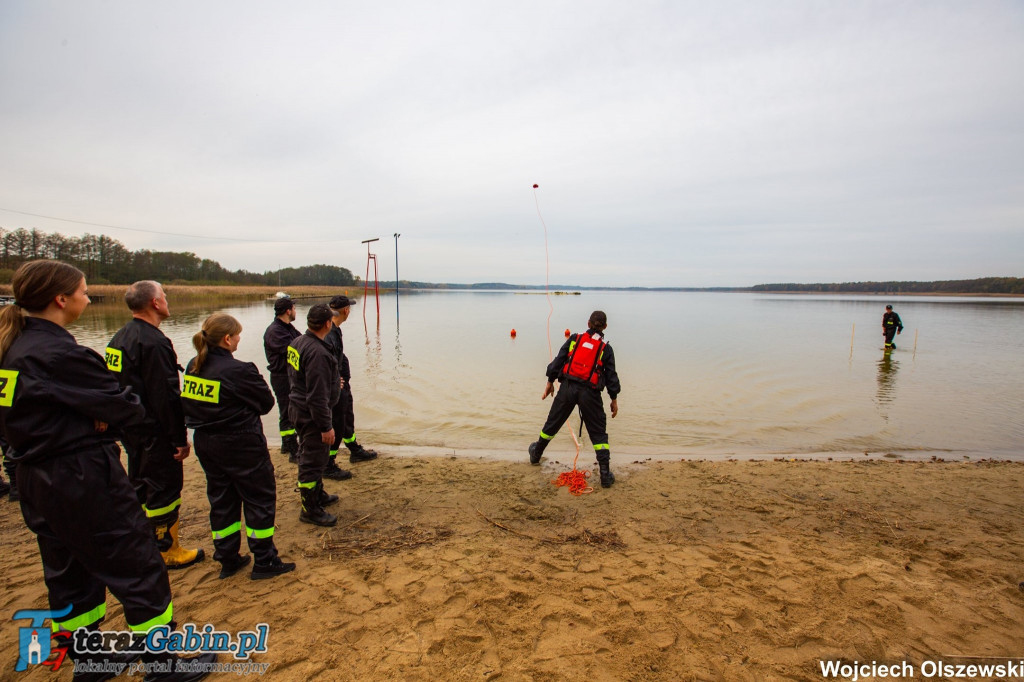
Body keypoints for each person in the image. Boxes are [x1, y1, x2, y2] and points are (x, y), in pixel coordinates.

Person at [0, 260, 215, 680]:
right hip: (79, 474)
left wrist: (94, 413)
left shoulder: (13, 347)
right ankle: (162, 666)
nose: (88, 297)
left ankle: (90, 662)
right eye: (83, 291)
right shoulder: (60, 354)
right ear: (60, 299)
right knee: (137, 563)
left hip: (34, 475)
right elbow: (127, 407)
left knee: (68, 571)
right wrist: (99, 416)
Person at [182, 314, 297, 580]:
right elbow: (266, 403)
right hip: (240, 442)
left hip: (206, 442)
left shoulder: (193, 365)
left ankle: (227, 557)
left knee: (222, 499)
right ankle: (265, 561)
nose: (239, 339)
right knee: (259, 498)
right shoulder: (239, 369)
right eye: (237, 335)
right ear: (227, 339)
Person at [106, 281, 205, 569]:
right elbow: (166, 396)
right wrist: (178, 438)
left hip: (131, 427)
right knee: (164, 487)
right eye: (164, 296)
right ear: (154, 303)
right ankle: (167, 548)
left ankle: (140, 541)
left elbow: (112, 384)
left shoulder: (120, 337)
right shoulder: (154, 342)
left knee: (140, 482)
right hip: (154, 429)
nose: (167, 300)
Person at [527, 310, 621, 488]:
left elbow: (558, 361)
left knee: (552, 423)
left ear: (588, 323)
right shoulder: (606, 349)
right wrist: (614, 399)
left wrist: (549, 381)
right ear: (605, 327)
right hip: (590, 393)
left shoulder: (575, 339)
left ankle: (536, 454)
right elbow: (611, 377)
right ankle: (605, 475)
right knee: (598, 432)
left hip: (568, 389)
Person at [288, 304, 341, 527]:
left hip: (298, 408)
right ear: (327, 324)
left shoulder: (298, 342)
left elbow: (300, 379)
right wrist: (325, 426)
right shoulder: (317, 352)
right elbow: (317, 395)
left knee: (315, 456)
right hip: (311, 415)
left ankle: (317, 494)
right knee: (312, 460)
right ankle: (309, 509)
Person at [324, 294, 377, 481]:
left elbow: (338, 357)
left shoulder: (334, 329)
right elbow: (326, 360)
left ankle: (354, 449)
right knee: (337, 422)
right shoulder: (330, 332)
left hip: (342, 384)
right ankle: (328, 464)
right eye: (350, 308)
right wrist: (334, 380)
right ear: (346, 310)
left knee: (346, 417)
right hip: (335, 387)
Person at [263, 297, 301, 462]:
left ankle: (287, 445)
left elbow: (302, 340)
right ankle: (293, 450)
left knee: (289, 410)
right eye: (293, 308)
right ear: (288, 311)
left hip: (289, 376)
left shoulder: (287, 327)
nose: (295, 311)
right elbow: (294, 348)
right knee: (287, 412)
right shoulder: (275, 331)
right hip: (282, 376)